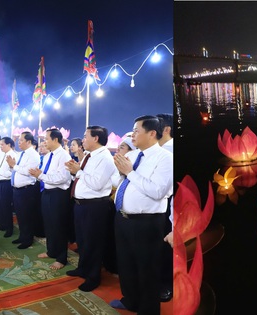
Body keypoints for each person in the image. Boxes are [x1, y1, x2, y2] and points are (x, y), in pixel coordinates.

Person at [110, 115, 173, 314]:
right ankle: (131, 300)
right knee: (126, 263)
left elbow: (158, 192)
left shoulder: (165, 158)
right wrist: (121, 171)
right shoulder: (135, 155)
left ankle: (148, 309)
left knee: (147, 268)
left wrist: (129, 173)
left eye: (137, 130)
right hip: (123, 217)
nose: (133, 134)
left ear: (152, 133)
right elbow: (118, 181)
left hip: (146, 222)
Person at [64, 125, 117, 292]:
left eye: (85, 136)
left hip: (95, 206)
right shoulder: (89, 155)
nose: (83, 140)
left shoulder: (105, 158)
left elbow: (96, 183)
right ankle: (83, 268)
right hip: (81, 204)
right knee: (83, 240)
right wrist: (76, 171)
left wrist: (78, 171)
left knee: (93, 242)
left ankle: (93, 277)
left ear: (96, 138)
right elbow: (85, 179)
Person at [30, 128, 72, 270]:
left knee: (58, 226)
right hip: (47, 192)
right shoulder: (48, 156)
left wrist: (40, 175)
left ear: (55, 139)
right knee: (48, 223)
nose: (44, 142)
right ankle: (51, 250)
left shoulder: (64, 156)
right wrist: (38, 174)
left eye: (46, 139)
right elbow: (44, 174)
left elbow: (62, 178)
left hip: (58, 195)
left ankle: (61, 258)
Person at [7, 131, 41, 249]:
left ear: (29, 142)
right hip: (17, 190)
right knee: (20, 215)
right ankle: (22, 236)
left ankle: (28, 239)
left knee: (27, 216)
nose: (18, 142)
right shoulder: (22, 154)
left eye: (21, 140)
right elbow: (17, 169)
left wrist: (13, 166)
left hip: (27, 190)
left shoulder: (33, 155)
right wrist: (12, 167)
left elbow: (28, 171)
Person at [156, 113, 174, 302]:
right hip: (158, 208)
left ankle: (166, 285)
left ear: (166, 130)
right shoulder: (158, 151)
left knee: (165, 247)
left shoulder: (169, 152)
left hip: (168, 207)